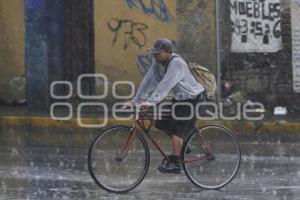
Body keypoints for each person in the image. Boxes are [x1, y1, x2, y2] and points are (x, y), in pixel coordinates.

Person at [123, 38, 207, 174]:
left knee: (177, 127)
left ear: (168, 52)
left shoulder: (177, 63)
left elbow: (165, 85)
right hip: (180, 99)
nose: (155, 56)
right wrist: (136, 100)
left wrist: (150, 102)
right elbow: (148, 79)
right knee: (160, 120)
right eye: (154, 53)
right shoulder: (158, 62)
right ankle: (184, 146)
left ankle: (176, 163)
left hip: (193, 99)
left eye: (158, 53)